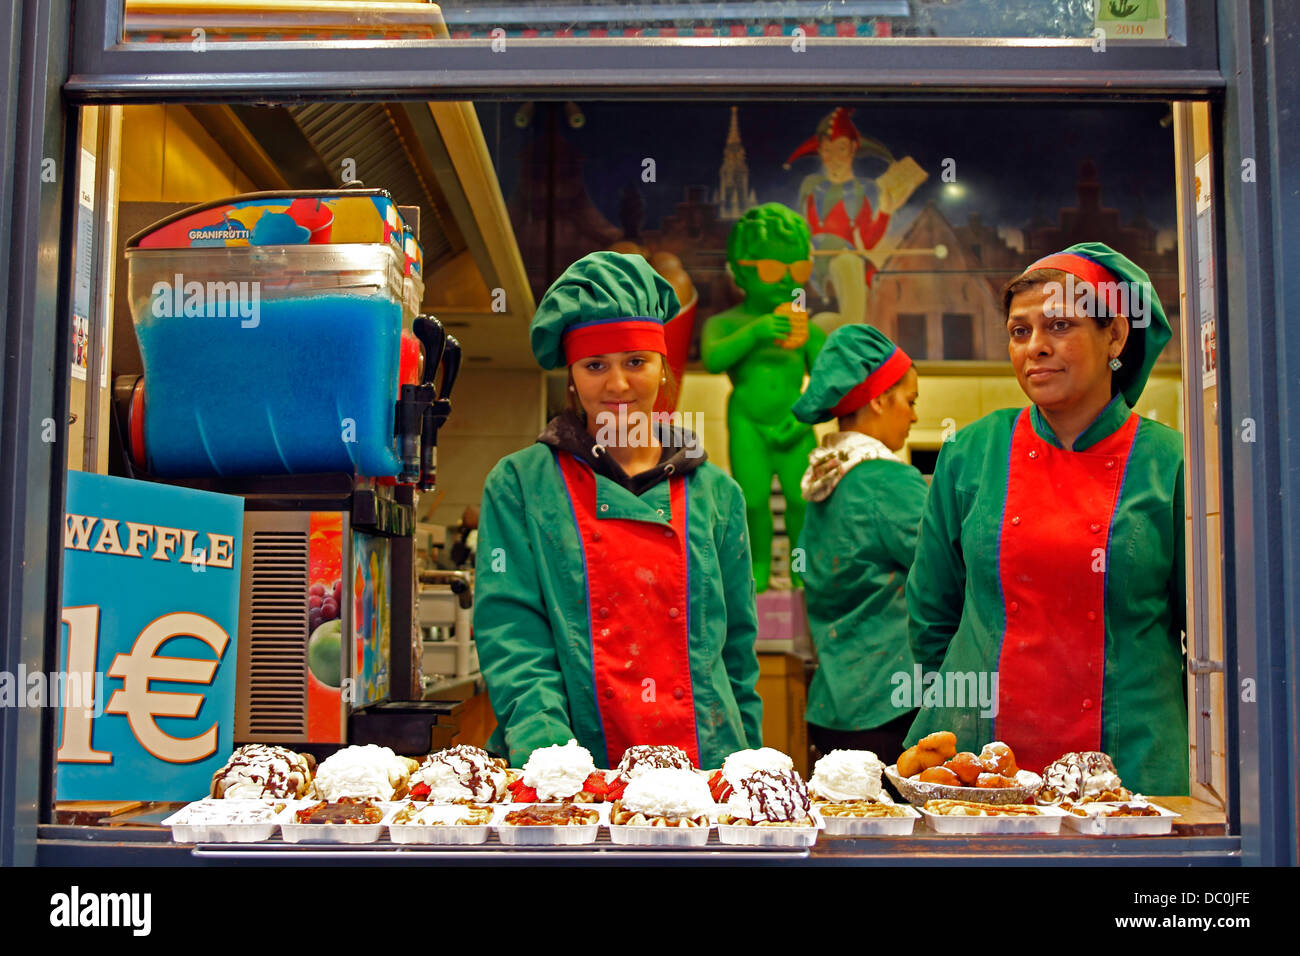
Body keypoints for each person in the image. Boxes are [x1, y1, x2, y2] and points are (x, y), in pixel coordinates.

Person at [904, 242, 1188, 795]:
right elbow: (932, 614)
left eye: (1059, 325)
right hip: (984, 773)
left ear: (1116, 337)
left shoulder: (1171, 463)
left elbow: (1200, 629)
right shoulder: (971, 453)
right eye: (1019, 331)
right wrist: (965, 711)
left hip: (1134, 763)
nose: (1036, 347)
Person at [474, 251, 763, 769]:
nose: (617, 385)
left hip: (706, 772)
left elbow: (737, 652)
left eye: (636, 362)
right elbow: (512, 635)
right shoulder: (520, 484)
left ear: (663, 367)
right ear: (572, 375)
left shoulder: (719, 494)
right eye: (594, 365)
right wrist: (552, 760)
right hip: (577, 773)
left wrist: (745, 766)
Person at [791, 325, 926, 764]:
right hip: (892, 709)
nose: (914, 416)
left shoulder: (824, 483)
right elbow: (951, 569)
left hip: (832, 708)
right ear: (879, 399)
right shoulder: (888, 481)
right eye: (910, 401)